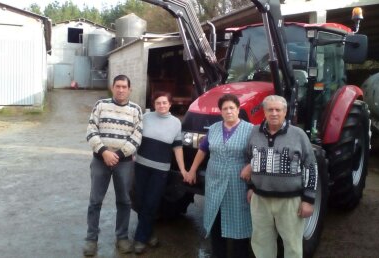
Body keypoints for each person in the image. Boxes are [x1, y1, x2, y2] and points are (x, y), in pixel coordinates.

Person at [243, 95, 317, 258]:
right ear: (264, 112)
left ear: (285, 112)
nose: (274, 113)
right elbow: (249, 159)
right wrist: (250, 187)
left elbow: (311, 166)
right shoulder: (254, 132)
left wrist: (309, 199)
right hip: (260, 200)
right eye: (270, 109)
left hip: (290, 202)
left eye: (278, 110)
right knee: (261, 243)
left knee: (292, 245)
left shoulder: (298, 135)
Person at [186, 94, 253, 258]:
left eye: (232, 108)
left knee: (239, 221)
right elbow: (203, 149)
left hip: (237, 182)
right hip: (214, 179)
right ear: (221, 112)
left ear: (238, 109)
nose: (228, 111)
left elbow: (259, 152)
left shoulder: (250, 129)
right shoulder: (215, 128)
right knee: (216, 219)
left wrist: (250, 166)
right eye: (225, 108)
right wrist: (192, 170)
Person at [83, 74, 143, 256]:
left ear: (129, 89)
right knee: (95, 201)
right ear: (113, 87)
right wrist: (104, 152)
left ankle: (122, 238)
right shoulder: (101, 105)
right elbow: (91, 130)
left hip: (123, 163)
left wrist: (116, 155)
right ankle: (91, 239)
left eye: (124, 86)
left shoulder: (135, 110)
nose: (121, 90)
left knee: (124, 201)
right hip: (100, 161)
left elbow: (137, 136)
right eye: (118, 86)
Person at [133, 91, 188, 254]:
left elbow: (177, 147)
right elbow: (135, 137)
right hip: (141, 166)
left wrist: (183, 169)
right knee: (141, 201)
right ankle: (148, 233)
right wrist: (130, 154)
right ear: (153, 104)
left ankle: (140, 239)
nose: (161, 105)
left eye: (164, 102)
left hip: (160, 170)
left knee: (151, 202)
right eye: (158, 102)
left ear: (170, 104)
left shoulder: (176, 123)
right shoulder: (145, 117)